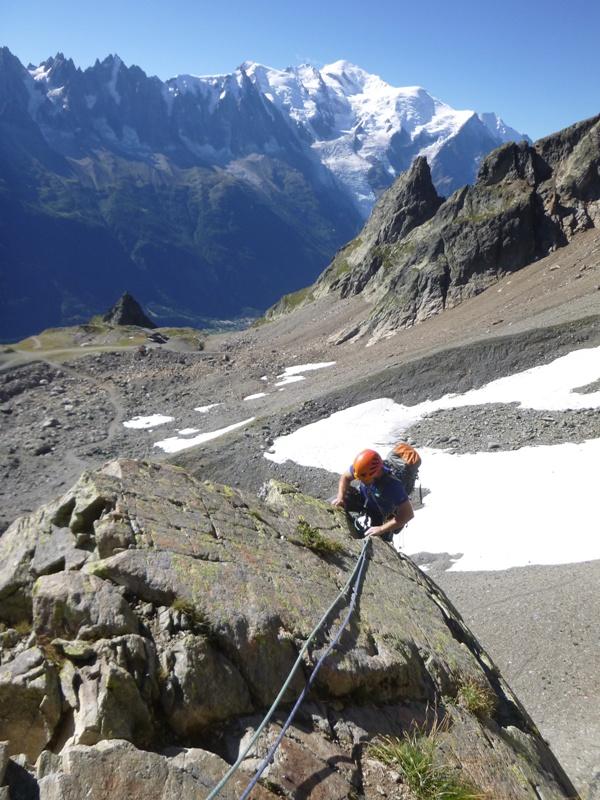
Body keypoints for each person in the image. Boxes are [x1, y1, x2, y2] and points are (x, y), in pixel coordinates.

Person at [332, 448, 414, 541]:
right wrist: (340, 497)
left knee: (378, 538)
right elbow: (345, 477)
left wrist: (381, 529)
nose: (361, 481)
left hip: (380, 514)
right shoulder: (362, 468)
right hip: (364, 498)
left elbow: (408, 514)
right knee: (339, 500)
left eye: (364, 480)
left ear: (375, 473)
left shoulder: (393, 486)